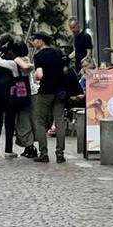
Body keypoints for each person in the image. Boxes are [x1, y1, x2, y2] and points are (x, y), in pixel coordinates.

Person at [32, 31, 68, 164]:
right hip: (59, 92)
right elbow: (65, 69)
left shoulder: (39, 55)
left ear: (41, 41)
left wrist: (35, 75)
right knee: (59, 122)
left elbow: (40, 75)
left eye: (35, 40)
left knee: (40, 121)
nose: (34, 42)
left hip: (46, 91)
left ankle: (44, 153)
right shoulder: (58, 52)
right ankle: (60, 154)